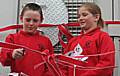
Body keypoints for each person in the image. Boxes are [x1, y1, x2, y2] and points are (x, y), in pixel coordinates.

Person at [0, 3, 53, 76]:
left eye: (35, 20)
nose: (31, 23)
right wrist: (12, 55)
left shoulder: (46, 41)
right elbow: (4, 61)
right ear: (21, 18)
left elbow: (51, 67)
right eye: (28, 20)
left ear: (41, 21)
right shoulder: (12, 38)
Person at [63, 2, 115, 76]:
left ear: (96, 17)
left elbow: (106, 64)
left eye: (84, 15)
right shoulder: (73, 41)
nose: (80, 18)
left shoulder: (103, 37)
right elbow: (64, 65)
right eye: (78, 16)